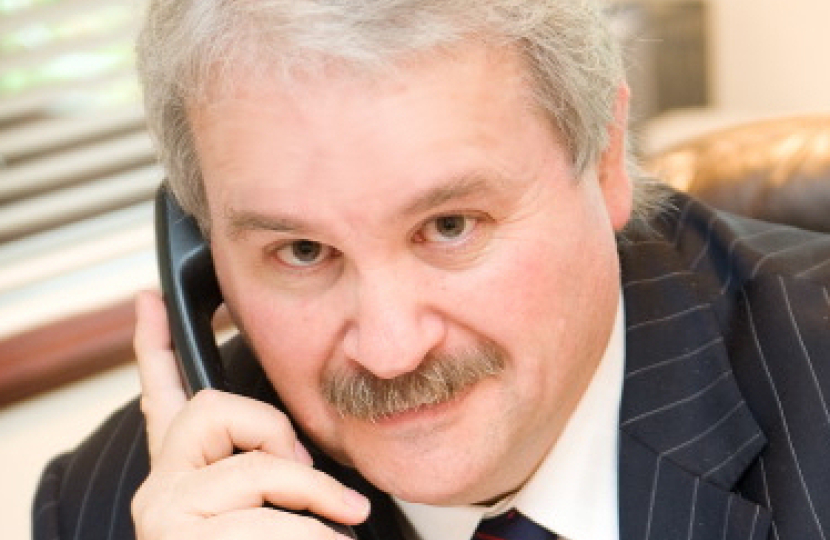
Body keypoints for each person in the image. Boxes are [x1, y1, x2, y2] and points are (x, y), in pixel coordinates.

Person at [32, 1, 830, 539]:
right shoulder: (114, 506)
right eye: (302, 252)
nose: (390, 351)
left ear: (605, 159)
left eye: (449, 227)